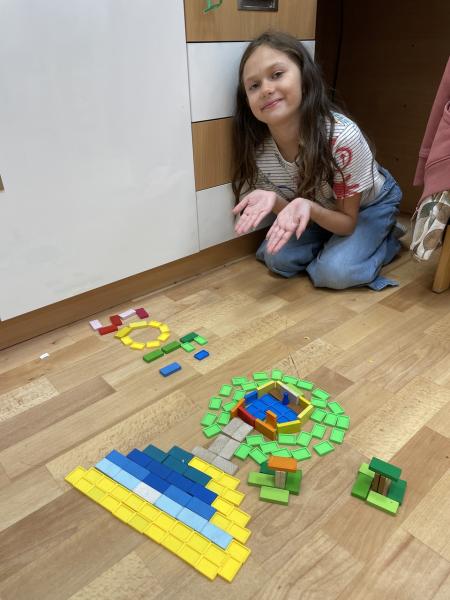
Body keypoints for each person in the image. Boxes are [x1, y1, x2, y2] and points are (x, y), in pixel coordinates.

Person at [231, 31, 404, 290]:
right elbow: (297, 210)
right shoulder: (260, 152)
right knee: (276, 258)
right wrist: (274, 200)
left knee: (333, 273)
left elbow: (347, 222)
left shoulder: (341, 138)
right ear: (247, 102)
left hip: (365, 208)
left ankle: (386, 237)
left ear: (305, 78)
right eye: (254, 86)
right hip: (320, 208)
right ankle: (338, 246)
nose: (266, 89)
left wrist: (310, 209)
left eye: (277, 74)